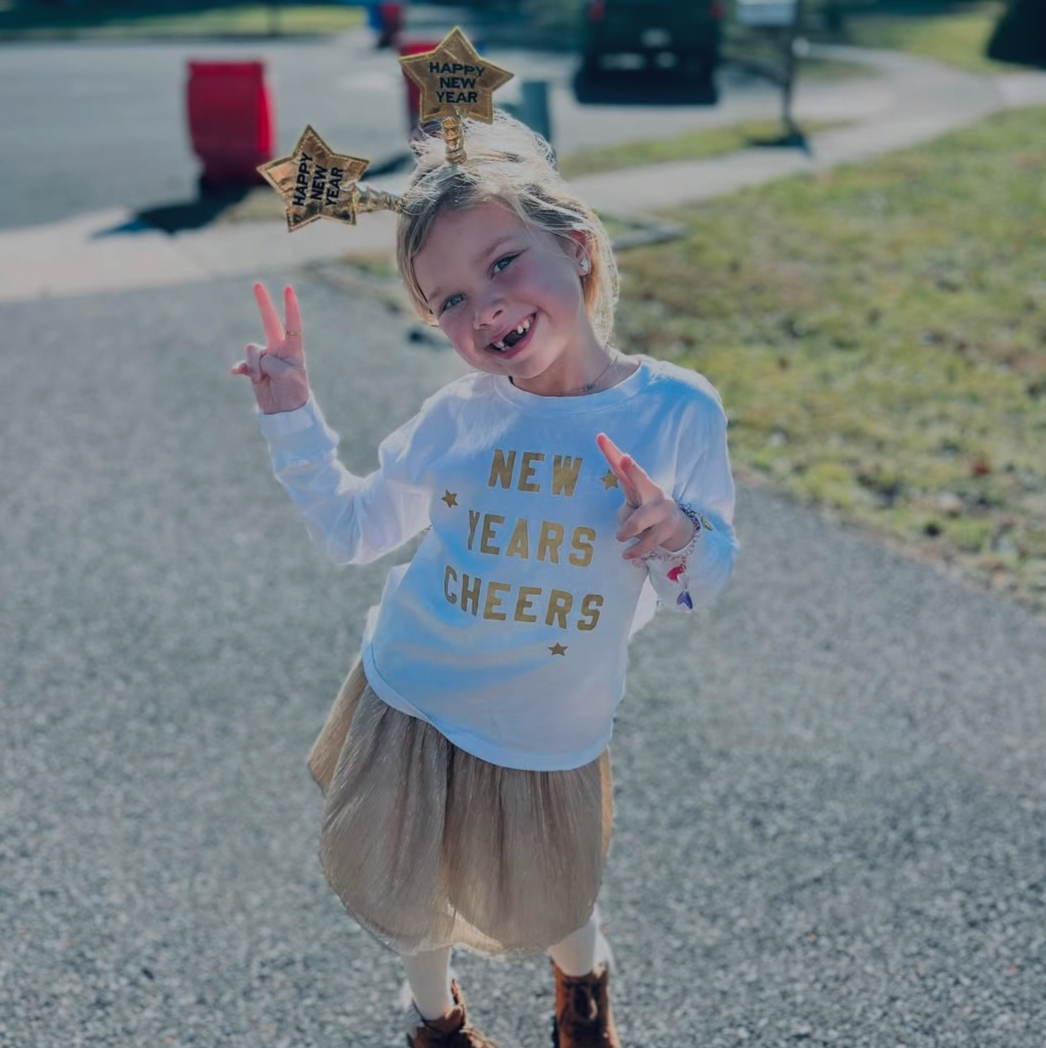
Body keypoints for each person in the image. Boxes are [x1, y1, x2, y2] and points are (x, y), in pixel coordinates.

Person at [231, 113, 738, 1048]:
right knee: (413, 885)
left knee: (554, 894)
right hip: (414, 692)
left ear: (576, 246)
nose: (484, 307)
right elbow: (354, 531)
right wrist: (293, 420)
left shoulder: (674, 409)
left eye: (504, 263)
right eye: (448, 299)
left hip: (550, 724)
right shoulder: (458, 416)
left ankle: (581, 990)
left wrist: (675, 532)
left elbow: (698, 588)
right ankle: (437, 1023)